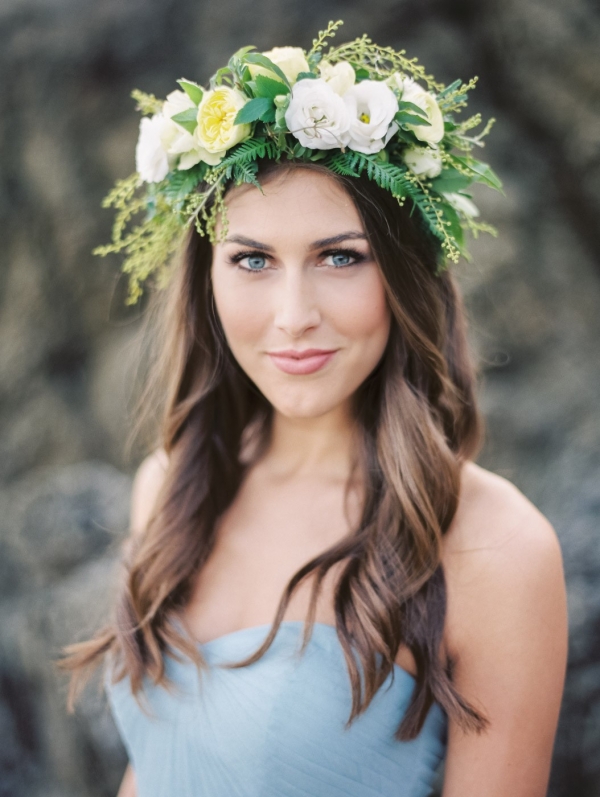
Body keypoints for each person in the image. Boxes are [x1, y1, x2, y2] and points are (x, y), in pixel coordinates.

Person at [63, 24, 568, 797]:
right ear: (208, 277)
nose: (293, 314)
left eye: (340, 256)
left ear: (405, 275)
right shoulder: (170, 487)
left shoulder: (495, 550)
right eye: (253, 259)